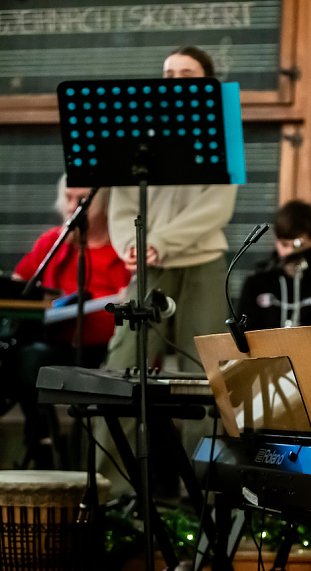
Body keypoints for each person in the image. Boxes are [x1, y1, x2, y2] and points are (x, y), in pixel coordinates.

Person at [105, 45, 237, 373]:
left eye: (186, 75)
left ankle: (204, 429)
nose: (175, 81)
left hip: (203, 263)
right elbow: (122, 201)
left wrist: (160, 241)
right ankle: (113, 427)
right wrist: (128, 243)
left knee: (208, 367)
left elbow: (217, 207)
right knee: (124, 360)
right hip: (151, 265)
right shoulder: (136, 131)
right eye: (169, 75)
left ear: (208, 83)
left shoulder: (227, 128)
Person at [11, 175, 130, 468]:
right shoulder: (52, 242)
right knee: (21, 357)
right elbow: (18, 286)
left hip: (105, 352)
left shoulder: (124, 248)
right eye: (67, 197)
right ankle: (42, 444)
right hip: (55, 345)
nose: (72, 207)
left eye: (82, 200)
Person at [238, 199, 311, 352]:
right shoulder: (256, 281)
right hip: (266, 362)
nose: (290, 253)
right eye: (284, 245)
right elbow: (243, 334)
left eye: (298, 244)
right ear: (275, 239)